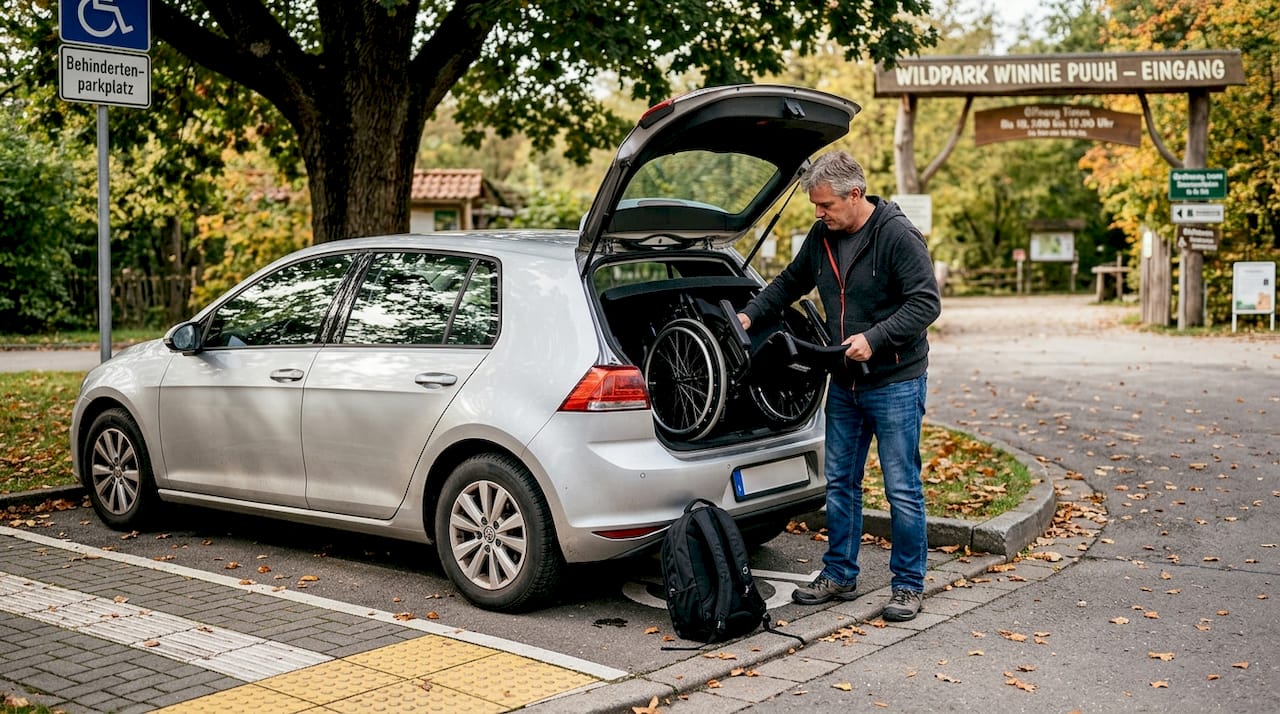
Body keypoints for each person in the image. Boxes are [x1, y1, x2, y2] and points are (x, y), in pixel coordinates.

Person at [737, 150, 940, 622]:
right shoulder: (823, 236)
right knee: (841, 484)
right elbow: (789, 283)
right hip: (843, 381)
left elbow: (925, 303)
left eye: (826, 205)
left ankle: (908, 585)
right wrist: (750, 315)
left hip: (895, 381)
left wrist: (876, 338)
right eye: (815, 206)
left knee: (903, 488)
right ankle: (840, 574)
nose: (819, 214)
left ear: (855, 194)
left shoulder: (897, 235)